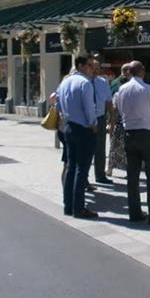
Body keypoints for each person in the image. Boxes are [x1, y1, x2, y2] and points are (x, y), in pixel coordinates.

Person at [114, 61, 150, 224]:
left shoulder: (122, 89)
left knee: (132, 176)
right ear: (142, 71)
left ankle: (134, 212)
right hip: (147, 134)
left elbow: (120, 110)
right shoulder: (147, 89)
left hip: (130, 134)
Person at [56, 56, 98, 219]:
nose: (91, 68)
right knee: (82, 169)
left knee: (71, 167)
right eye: (89, 65)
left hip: (68, 126)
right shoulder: (85, 83)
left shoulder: (65, 82)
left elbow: (57, 104)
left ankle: (68, 206)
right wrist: (93, 124)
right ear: (81, 66)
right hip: (83, 129)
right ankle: (79, 208)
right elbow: (89, 108)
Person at [92, 60, 114, 185]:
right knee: (87, 150)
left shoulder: (102, 82)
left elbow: (109, 101)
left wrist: (111, 119)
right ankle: (83, 179)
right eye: (93, 67)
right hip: (86, 120)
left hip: (100, 118)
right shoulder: (85, 82)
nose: (95, 70)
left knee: (100, 149)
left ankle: (100, 175)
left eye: (97, 68)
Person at [107, 63, 131, 178]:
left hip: (118, 122)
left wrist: (110, 122)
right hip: (129, 123)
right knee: (127, 149)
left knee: (114, 147)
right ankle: (128, 170)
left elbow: (113, 108)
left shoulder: (115, 87)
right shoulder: (130, 90)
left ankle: (110, 169)